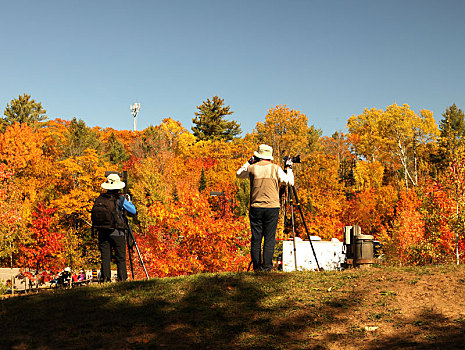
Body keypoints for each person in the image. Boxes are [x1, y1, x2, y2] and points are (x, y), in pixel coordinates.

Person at [236, 144, 294, 272]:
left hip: (255, 206)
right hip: (272, 207)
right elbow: (290, 182)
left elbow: (238, 174)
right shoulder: (275, 168)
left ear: (257, 156)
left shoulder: (252, 168)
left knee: (256, 238)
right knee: (269, 237)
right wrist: (289, 168)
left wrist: (248, 162)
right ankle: (267, 267)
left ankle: (256, 268)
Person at [91, 173, 136, 282]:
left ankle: (106, 279)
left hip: (102, 230)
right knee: (120, 257)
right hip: (117, 231)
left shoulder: (100, 198)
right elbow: (133, 211)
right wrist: (128, 202)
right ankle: (122, 280)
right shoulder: (120, 199)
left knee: (105, 257)